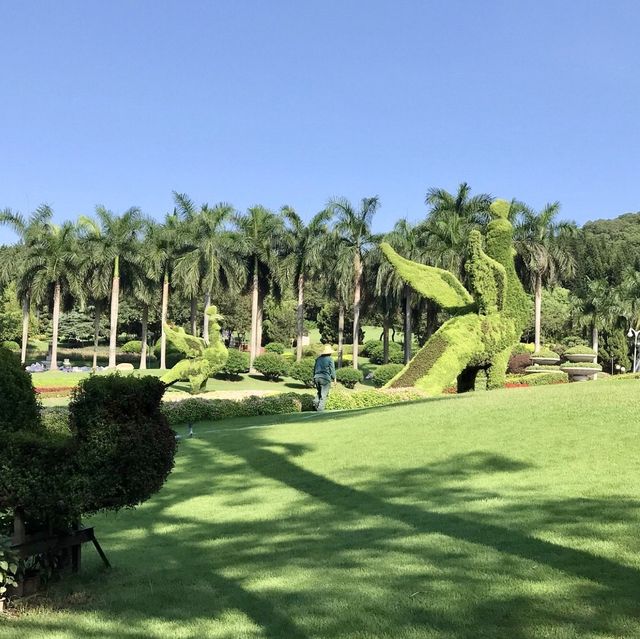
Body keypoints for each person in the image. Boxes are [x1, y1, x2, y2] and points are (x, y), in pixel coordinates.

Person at [313, 344, 336, 411]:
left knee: (320, 392)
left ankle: (315, 402)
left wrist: (313, 379)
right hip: (325, 378)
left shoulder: (318, 359)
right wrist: (334, 379)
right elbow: (332, 370)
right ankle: (320, 410)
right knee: (324, 395)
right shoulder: (330, 359)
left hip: (316, 377)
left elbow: (314, 369)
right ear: (329, 353)